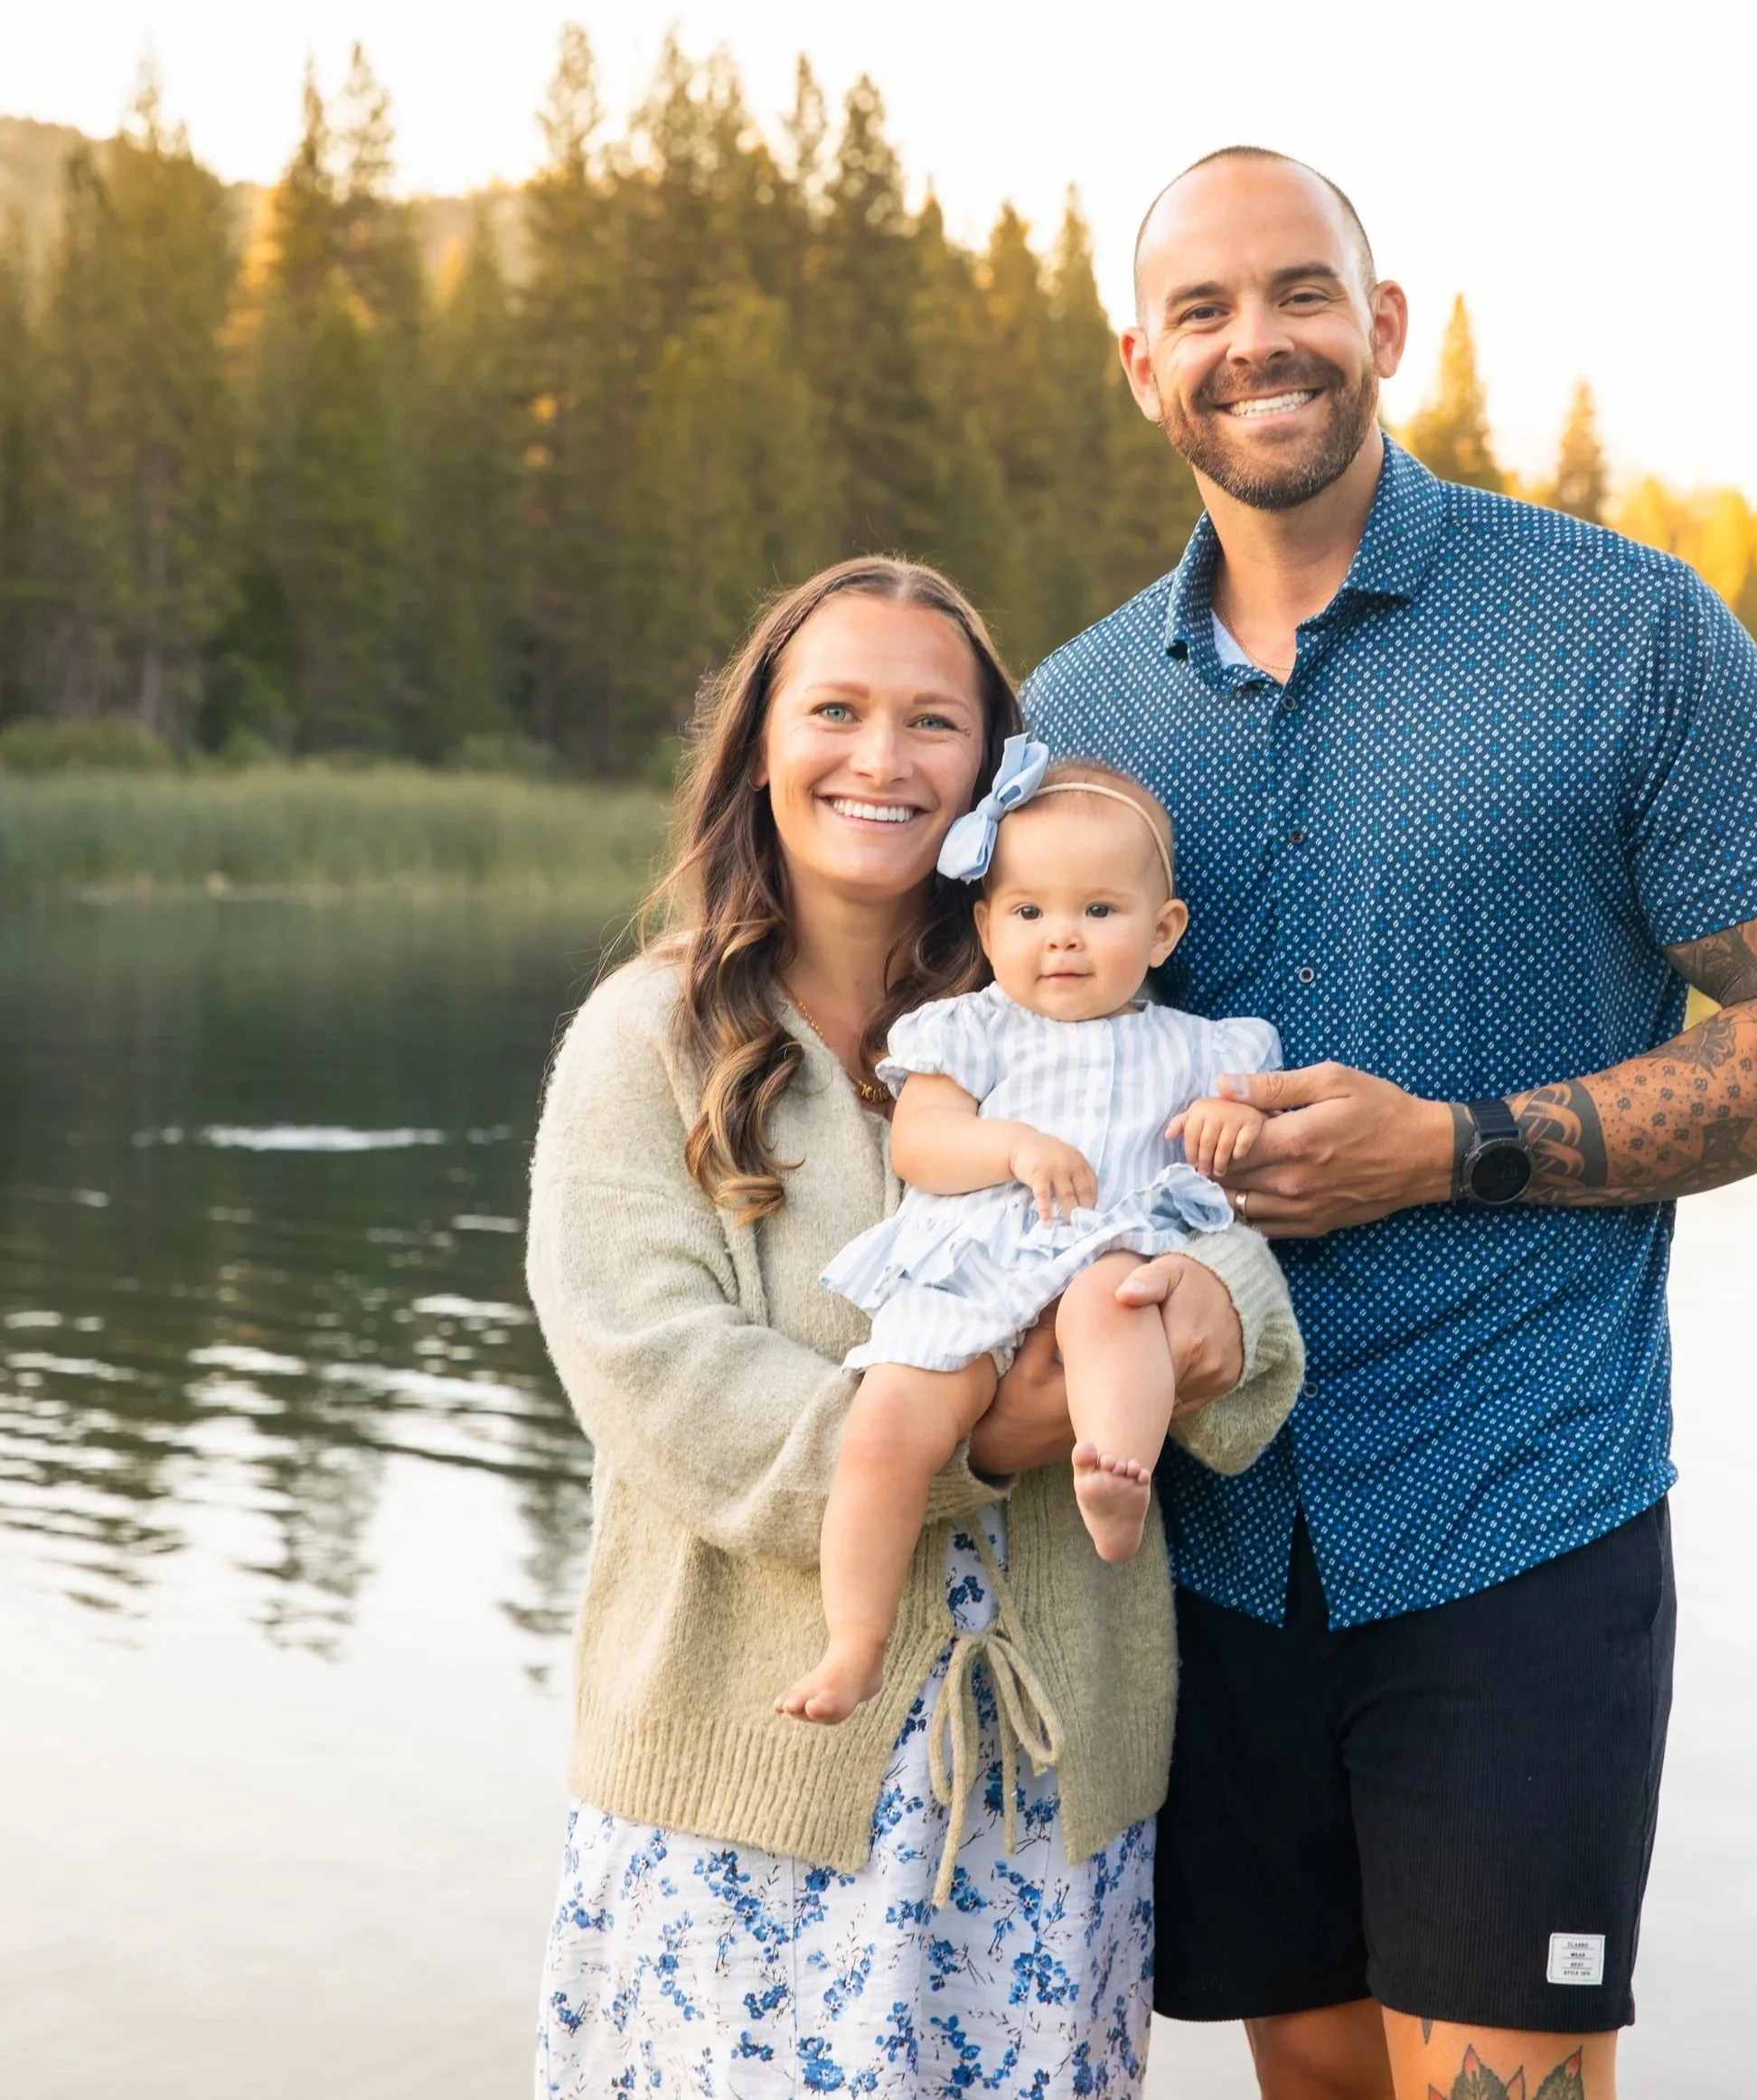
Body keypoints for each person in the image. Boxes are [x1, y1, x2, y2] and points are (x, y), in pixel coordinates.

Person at [1023, 148, 1757, 2100]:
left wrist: (1445, 1145)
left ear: (1380, 322)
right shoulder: (1077, 716)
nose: (1256, 340)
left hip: (1518, 1510)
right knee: (1315, 2076)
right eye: (1202, 310)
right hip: (1214, 1531)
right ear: (1141, 368)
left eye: (1299, 292)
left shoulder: (1621, 630)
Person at [524, 556, 1303, 2097]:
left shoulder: (1075, 1004)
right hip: (746, 1786)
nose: (878, 758)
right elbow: (659, 1381)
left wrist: (1200, 1314)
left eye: (931, 723)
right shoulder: (652, 1037)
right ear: (763, 744)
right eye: (835, 711)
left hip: (1041, 1795)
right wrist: (987, 1436)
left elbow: (1224, 1251)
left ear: (986, 775)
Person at [777, 739, 1283, 1723]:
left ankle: (1115, 1467)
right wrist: (1006, 1144)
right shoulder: (970, 1029)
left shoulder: (1199, 1048)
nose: (1062, 937)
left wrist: (1238, 1121)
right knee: (885, 1428)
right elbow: (921, 1144)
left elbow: (1248, 1136)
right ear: (985, 921)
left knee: (1119, 1302)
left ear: (1163, 929)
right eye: (1028, 911)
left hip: (1101, 1251)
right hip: (975, 1275)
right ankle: (853, 1641)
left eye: (1098, 912)